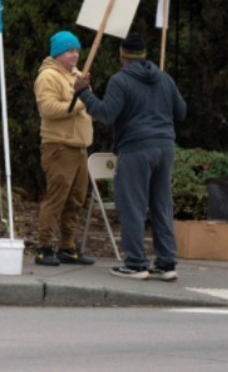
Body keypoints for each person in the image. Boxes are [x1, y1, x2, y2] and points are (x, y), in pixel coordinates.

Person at [74, 32, 187, 280]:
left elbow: (106, 114)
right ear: (144, 54)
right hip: (165, 146)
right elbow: (181, 112)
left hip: (136, 148)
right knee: (161, 205)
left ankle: (136, 263)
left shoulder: (120, 80)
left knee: (133, 206)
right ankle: (167, 263)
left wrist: (84, 92)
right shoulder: (164, 78)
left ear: (122, 56)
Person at [33, 30, 96, 266]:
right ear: (58, 53)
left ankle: (67, 246)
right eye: (70, 51)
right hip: (59, 147)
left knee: (76, 199)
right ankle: (44, 246)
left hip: (80, 147)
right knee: (56, 198)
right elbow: (48, 109)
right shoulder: (48, 76)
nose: (75, 55)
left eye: (78, 51)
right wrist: (81, 102)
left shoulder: (78, 75)